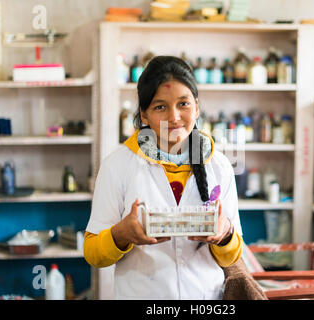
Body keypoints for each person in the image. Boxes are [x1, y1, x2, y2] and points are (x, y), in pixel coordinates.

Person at [84, 55, 243, 300]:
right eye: (160, 107)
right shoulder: (118, 165)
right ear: (144, 115)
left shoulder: (220, 166)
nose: (174, 117)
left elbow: (232, 255)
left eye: (183, 104)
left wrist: (225, 234)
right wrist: (121, 234)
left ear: (197, 107)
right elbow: (93, 254)